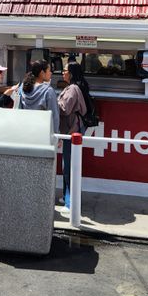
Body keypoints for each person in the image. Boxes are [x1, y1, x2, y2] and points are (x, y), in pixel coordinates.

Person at [58, 62, 89, 210]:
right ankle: (66, 197)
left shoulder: (72, 89)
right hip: (72, 130)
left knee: (68, 165)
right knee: (69, 164)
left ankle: (70, 202)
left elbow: (65, 109)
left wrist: (52, 100)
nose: (62, 73)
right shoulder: (76, 87)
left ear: (70, 73)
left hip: (71, 131)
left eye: (64, 70)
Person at [17, 59, 60, 135]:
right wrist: (56, 134)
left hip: (25, 131)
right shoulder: (48, 91)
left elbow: (19, 108)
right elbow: (54, 116)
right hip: (42, 133)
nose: (51, 73)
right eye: (49, 70)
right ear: (42, 73)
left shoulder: (23, 87)